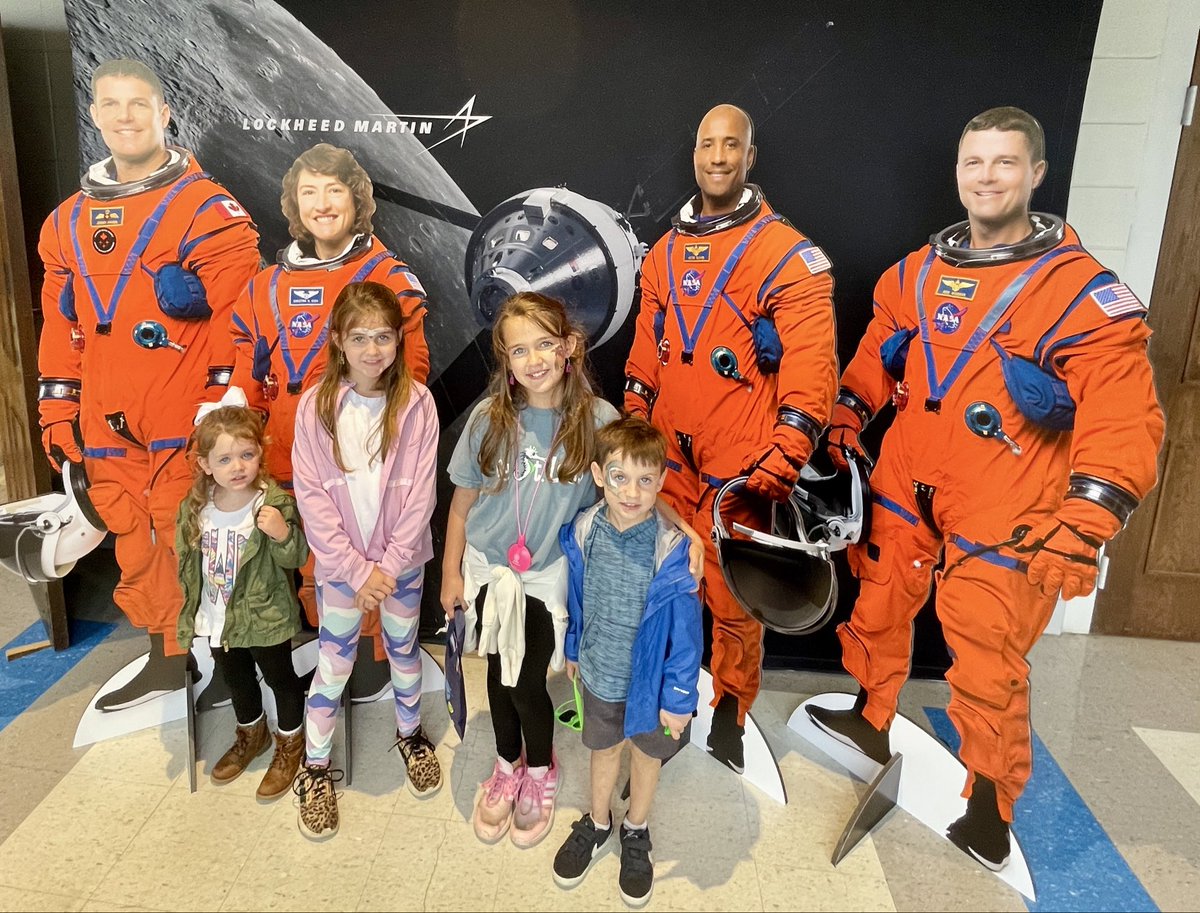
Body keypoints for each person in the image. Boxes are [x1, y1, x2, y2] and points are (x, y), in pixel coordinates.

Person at [809, 107, 1164, 870]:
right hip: (910, 480)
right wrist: (845, 418)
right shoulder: (916, 272)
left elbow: (1124, 411)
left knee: (986, 659)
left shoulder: (1079, 293)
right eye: (975, 162)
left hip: (1007, 502)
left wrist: (1086, 519)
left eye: (1006, 163)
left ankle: (988, 802)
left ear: (1036, 173)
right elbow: (877, 354)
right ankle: (872, 714)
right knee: (876, 605)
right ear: (959, 172)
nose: (988, 177)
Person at [37, 58, 261, 710]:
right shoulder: (66, 224)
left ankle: (238, 670)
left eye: (140, 103)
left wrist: (226, 408)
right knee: (137, 545)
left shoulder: (207, 212)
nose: (126, 116)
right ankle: (168, 659)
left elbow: (242, 321)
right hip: (106, 420)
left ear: (165, 113)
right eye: (112, 104)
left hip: (185, 417)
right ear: (96, 115)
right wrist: (59, 411)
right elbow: (62, 326)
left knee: (212, 546)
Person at [623, 103, 838, 772]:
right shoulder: (663, 252)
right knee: (662, 586)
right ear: (694, 154)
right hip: (669, 465)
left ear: (750, 156)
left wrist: (787, 453)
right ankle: (671, 694)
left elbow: (812, 368)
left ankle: (730, 709)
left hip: (740, 472)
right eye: (706, 144)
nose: (717, 156)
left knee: (734, 606)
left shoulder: (787, 255)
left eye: (731, 145)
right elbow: (647, 350)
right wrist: (633, 416)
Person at [230, 143, 430, 699]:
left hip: (356, 459)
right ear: (294, 202)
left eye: (335, 190)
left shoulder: (386, 275)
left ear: (356, 200)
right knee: (280, 565)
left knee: (346, 561)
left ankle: (365, 664)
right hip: (280, 455)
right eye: (309, 192)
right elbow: (244, 366)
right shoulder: (266, 284)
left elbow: (408, 373)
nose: (322, 204)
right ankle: (314, 660)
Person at [441, 292, 620, 849]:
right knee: (498, 675)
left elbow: (624, 497)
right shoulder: (490, 419)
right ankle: (505, 765)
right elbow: (462, 506)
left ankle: (540, 771)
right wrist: (451, 575)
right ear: (506, 360)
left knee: (525, 680)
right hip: (490, 571)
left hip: (547, 580)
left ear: (569, 347)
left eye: (546, 343)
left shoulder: (596, 420)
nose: (534, 359)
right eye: (520, 350)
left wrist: (679, 532)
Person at [290, 281, 441, 840]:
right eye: (360, 338)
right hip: (341, 572)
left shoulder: (418, 403)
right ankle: (316, 767)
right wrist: (357, 571)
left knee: (404, 651)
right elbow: (313, 499)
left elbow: (421, 495)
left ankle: (410, 733)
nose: (373, 349)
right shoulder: (315, 407)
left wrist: (389, 567)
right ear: (338, 342)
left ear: (399, 341)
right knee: (334, 664)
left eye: (384, 337)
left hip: (401, 567)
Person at [553, 416, 702, 908]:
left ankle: (635, 829)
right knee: (603, 751)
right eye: (619, 477)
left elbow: (686, 636)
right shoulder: (584, 531)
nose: (632, 492)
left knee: (646, 755)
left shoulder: (672, 549)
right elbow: (577, 596)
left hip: (652, 687)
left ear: (661, 481)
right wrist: (574, 646)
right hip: (599, 675)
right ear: (599, 475)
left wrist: (679, 699)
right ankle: (598, 822)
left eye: (645, 480)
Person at [175, 389, 309, 800]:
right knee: (236, 679)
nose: (238, 467)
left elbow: (297, 556)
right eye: (225, 459)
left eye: (247, 456)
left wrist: (283, 533)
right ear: (205, 465)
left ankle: (290, 743)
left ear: (260, 454)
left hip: (266, 617)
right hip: (218, 618)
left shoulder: (272, 504)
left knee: (282, 680)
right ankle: (252, 734)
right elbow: (186, 561)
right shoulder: (197, 507)